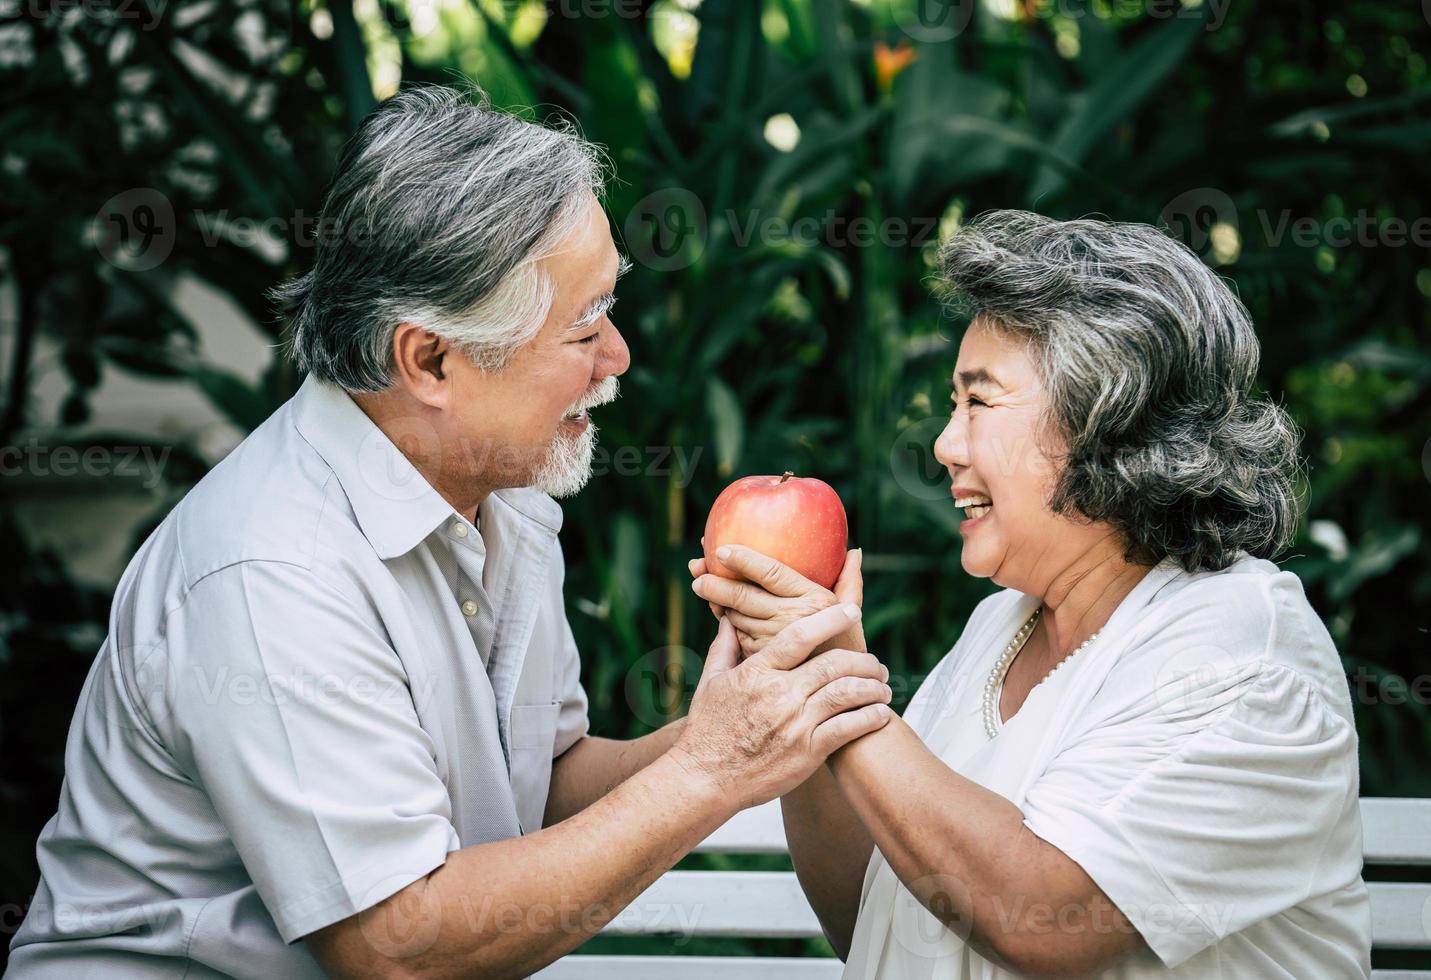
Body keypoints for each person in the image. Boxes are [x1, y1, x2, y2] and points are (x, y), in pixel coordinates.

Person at [5, 86, 894, 979]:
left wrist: (758, 719)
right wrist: (712, 767)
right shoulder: (273, 571)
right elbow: (395, 950)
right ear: (430, 360)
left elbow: (541, 789)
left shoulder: (497, 494)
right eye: (583, 329)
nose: (619, 356)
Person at [691, 211, 1372, 978]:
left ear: (1110, 420)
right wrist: (797, 682)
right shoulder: (1001, 624)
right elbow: (877, 918)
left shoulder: (1243, 656)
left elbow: (1043, 919)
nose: (946, 445)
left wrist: (839, 692)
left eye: (978, 402)